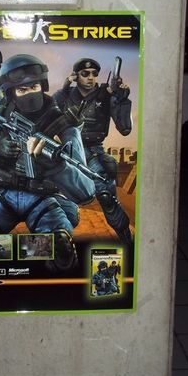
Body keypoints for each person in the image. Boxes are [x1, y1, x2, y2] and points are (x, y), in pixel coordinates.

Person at [0, 54, 95, 271]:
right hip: (4, 195)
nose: (30, 94)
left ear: (43, 85)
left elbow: (86, 191)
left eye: (34, 86)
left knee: (62, 253)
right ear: (11, 93)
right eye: (22, 89)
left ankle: (20, 259)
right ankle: (14, 256)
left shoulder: (63, 124)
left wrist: (57, 167)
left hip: (43, 198)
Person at [53, 58, 133, 244]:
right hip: (67, 150)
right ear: (75, 76)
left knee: (106, 196)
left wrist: (122, 100)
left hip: (93, 150)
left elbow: (125, 128)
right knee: (53, 198)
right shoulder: (64, 95)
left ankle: (127, 240)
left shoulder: (105, 95)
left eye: (94, 74)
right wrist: (64, 89)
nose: (91, 78)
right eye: (85, 74)